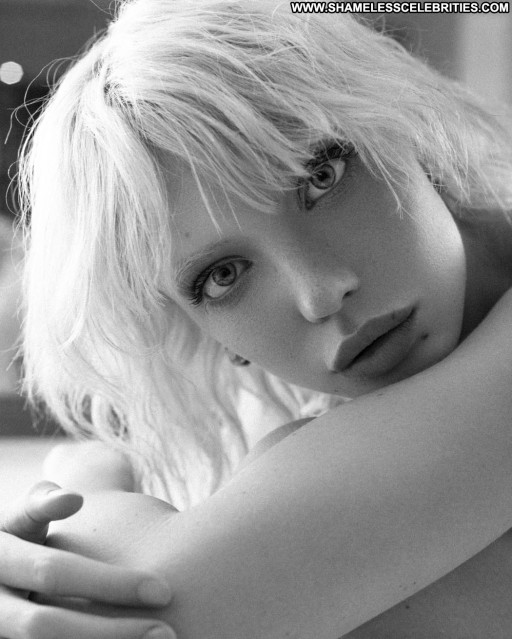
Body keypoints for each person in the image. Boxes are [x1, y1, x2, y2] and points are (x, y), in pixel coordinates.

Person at [1, 0, 512, 636]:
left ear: (415, 138)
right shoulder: (298, 440)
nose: (320, 293)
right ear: (211, 335)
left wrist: (86, 482)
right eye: (223, 277)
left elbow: (142, 608)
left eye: (321, 177)